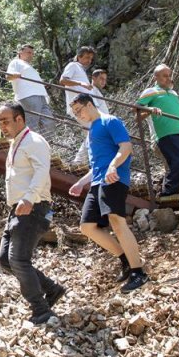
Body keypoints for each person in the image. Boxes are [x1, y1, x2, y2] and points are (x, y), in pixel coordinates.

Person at [67, 94, 149, 293]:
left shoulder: (109, 121)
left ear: (89, 104)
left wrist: (113, 167)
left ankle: (139, 272)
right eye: (75, 113)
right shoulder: (91, 131)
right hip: (97, 182)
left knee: (116, 221)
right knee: (86, 226)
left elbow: (126, 147)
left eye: (79, 110)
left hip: (114, 179)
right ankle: (125, 260)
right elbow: (96, 165)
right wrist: (80, 182)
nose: (79, 115)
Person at [0, 102, 66, 325]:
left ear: (20, 119)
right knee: (6, 260)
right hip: (18, 210)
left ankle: (41, 309)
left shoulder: (34, 141)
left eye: (5, 121)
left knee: (18, 259)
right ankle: (51, 288)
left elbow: (42, 171)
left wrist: (28, 198)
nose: (2, 126)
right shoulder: (16, 143)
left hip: (33, 207)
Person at [137, 64, 179, 208]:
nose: (168, 78)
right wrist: (149, 109)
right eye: (164, 75)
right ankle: (168, 195)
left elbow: (178, 113)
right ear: (156, 77)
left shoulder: (174, 93)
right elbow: (136, 111)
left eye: (169, 75)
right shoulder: (150, 92)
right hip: (166, 134)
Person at [5, 44, 53, 135]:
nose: (31, 55)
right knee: (32, 124)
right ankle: (30, 145)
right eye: (28, 52)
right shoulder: (16, 62)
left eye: (32, 53)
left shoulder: (29, 66)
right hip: (28, 95)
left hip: (41, 96)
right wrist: (15, 75)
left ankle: (42, 145)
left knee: (49, 122)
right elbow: (8, 76)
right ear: (20, 52)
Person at [61, 46, 96, 165]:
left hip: (86, 108)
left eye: (91, 58)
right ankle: (79, 162)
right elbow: (63, 80)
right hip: (79, 108)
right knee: (94, 131)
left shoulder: (81, 69)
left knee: (91, 134)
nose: (89, 61)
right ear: (79, 56)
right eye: (86, 57)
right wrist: (81, 83)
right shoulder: (73, 66)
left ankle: (83, 162)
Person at [72, 69, 111, 165]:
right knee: (91, 137)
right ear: (93, 78)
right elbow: (93, 107)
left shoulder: (97, 91)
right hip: (95, 119)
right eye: (101, 78)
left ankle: (81, 162)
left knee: (91, 138)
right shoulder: (91, 89)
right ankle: (79, 162)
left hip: (100, 121)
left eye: (105, 80)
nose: (103, 82)